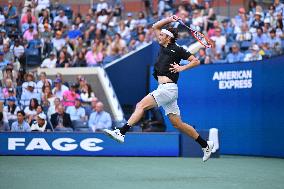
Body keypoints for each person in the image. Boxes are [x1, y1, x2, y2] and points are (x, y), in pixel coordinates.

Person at [104, 15, 214, 162]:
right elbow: (155, 26)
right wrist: (170, 18)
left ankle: (122, 132)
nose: (159, 36)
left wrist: (182, 68)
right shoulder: (163, 46)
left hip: (168, 89)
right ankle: (205, 144)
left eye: (162, 35)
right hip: (167, 89)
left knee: (140, 105)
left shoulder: (178, 49)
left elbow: (196, 61)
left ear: (168, 38)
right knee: (177, 124)